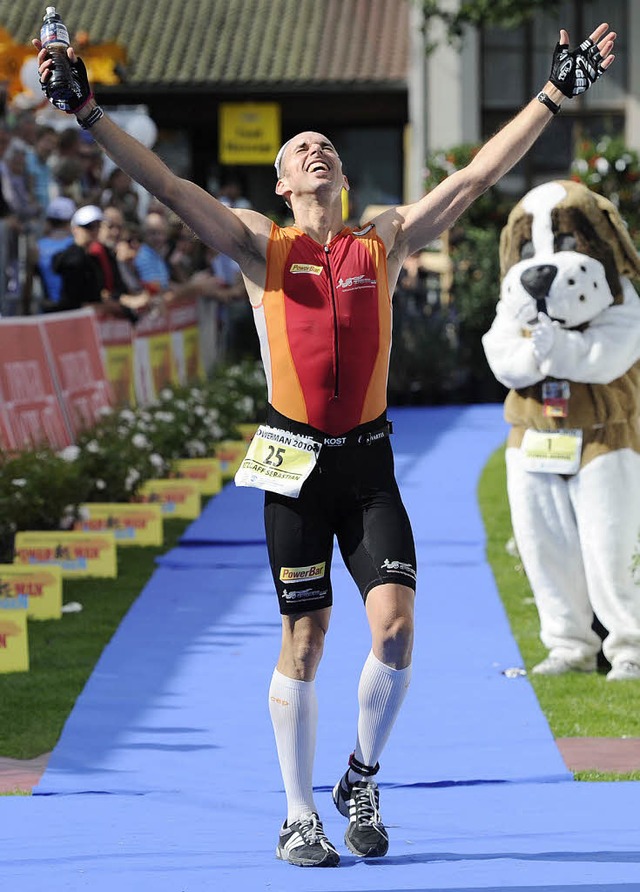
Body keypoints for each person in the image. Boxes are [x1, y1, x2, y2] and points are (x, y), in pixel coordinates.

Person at [35, 22, 616, 867]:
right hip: (294, 463)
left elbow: (478, 175)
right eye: (300, 146)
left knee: (396, 632)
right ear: (280, 182)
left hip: (369, 463)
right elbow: (163, 182)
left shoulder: (382, 240)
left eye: (327, 145)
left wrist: (554, 96)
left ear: (341, 176)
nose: (316, 149)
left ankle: (362, 777)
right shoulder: (254, 244)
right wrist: (89, 112)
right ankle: (297, 814)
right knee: (303, 639)